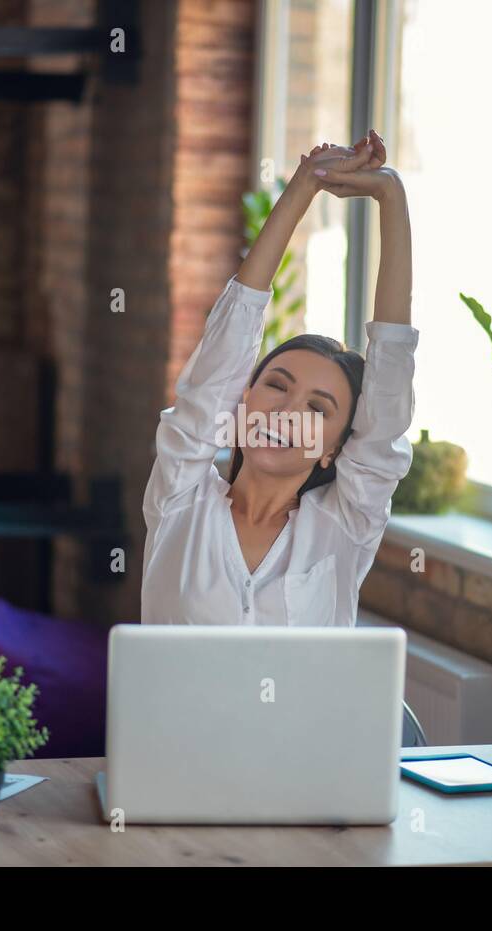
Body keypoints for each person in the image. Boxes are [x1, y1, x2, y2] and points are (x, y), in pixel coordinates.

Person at [141, 130, 416, 626]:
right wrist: (304, 185)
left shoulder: (344, 528)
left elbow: (391, 372)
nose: (287, 412)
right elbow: (224, 348)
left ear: (335, 448)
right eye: (276, 385)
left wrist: (391, 196)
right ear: (241, 401)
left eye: (318, 408)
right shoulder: (181, 497)